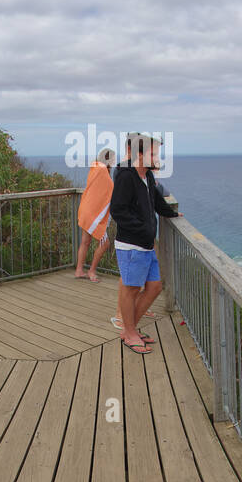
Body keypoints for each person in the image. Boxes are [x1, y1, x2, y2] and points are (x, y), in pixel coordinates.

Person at [109, 133, 181, 352]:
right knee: (131, 290)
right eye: (154, 153)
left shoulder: (147, 176)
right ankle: (129, 333)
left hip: (146, 246)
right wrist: (143, 228)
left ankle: (129, 329)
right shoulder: (126, 176)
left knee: (154, 287)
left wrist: (172, 214)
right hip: (131, 246)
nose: (158, 157)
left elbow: (157, 202)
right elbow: (118, 210)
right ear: (140, 155)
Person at [71, 144, 117, 279]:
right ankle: (91, 271)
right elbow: (110, 191)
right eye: (113, 159)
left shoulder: (95, 170)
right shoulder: (101, 170)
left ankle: (79, 270)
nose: (114, 162)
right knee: (105, 243)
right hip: (93, 214)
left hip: (87, 210)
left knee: (85, 241)